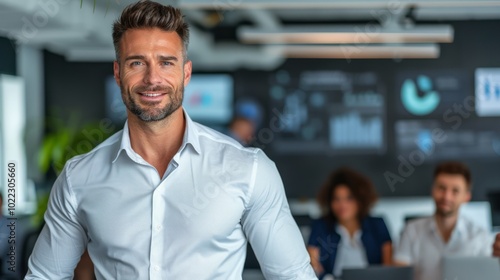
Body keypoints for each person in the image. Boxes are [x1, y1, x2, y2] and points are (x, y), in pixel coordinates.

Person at [25, 1, 316, 279]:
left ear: (185, 73)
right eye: (137, 62)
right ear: (117, 73)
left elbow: (292, 275)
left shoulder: (248, 169)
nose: (153, 79)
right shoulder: (79, 178)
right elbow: (45, 275)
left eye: (166, 63)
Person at [394, 161, 500, 280]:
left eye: (455, 191)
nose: (446, 197)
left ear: (466, 197)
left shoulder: (480, 236)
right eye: (441, 188)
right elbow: (400, 274)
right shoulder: (411, 230)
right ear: (432, 190)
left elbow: (490, 273)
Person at [307, 168, 392, 279]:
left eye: (349, 198)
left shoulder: (377, 225)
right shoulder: (321, 226)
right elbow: (313, 263)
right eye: (336, 199)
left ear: (360, 200)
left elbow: (388, 267)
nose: (342, 205)